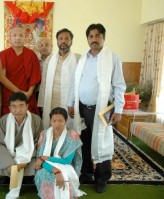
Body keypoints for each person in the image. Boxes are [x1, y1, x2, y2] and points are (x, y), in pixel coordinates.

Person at [67, 23, 126, 193]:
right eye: (91, 36)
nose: (94, 39)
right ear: (87, 39)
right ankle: (86, 173)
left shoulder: (113, 58)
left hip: (102, 110)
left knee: (102, 142)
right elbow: (75, 83)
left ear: (103, 38)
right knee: (84, 142)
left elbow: (119, 86)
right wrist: (71, 103)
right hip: (82, 108)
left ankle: (102, 178)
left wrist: (119, 110)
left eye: (98, 36)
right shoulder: (83, 59)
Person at [0, 92, 43, 199]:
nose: (18, 110)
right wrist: (9, 163)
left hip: (29, 155)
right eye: (14, 106)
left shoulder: (36, 120)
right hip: (9, 154)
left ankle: (15, 188)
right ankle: (14, 188)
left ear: (27, 106)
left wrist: (24, 158)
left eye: (21, 106)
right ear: (9, 108)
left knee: (36, 166)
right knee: (13, 166)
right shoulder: (4, 120)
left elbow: (39, 142)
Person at [34, 107, 85, 199]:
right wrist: (56, 171)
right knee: (43, 174)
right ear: (50, 121)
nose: (57, 124)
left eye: (60, 121)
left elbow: (67, 161)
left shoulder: (72, 136)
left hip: (65, 166)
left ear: (65, 121)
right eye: (54, 121)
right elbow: (40, 159)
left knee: (63, 177)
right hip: (47, 165)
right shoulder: (44, 134)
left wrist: (46, 158)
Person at [38, 28, 80, 129]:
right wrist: (42, 103)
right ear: (57, 41)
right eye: (61, 39)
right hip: (52, 101)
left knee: (68, 128)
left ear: (71, 41)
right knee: (51, 127)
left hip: (69, 103)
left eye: (66, 38)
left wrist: (75, 103)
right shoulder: (50, 59)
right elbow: (44, 82)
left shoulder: (78, 59)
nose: (63, 41)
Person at [0, 26, 41, 116]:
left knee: (28, 121)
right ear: (10, 38)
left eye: (21, 35)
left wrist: (29, 93)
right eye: (14, 35)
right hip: (10, 95)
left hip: (27, 96)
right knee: (9, 122)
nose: (18, 38)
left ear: (25, 37)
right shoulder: (4, 54)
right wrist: (18, 92)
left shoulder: (31, 54)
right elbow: (2, 77)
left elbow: (35, 75)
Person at [35, 37, 52, 108]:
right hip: (37, 92)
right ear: (37, 47)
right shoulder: (34, 59)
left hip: (51, 92)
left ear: (51, 47)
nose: (44, 47)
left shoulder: (55, 59)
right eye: (41, 45)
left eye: (46, 45)